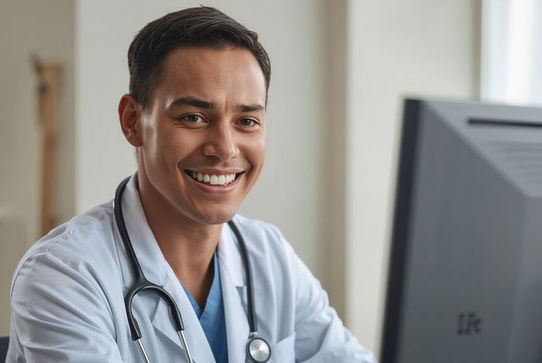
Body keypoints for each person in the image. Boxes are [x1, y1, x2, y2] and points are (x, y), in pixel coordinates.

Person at [7, 6, 376, 363]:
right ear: (133, 121)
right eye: (194, 117)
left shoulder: (269, 256)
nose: (225, 149)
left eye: (246, 121)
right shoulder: (63, 276)